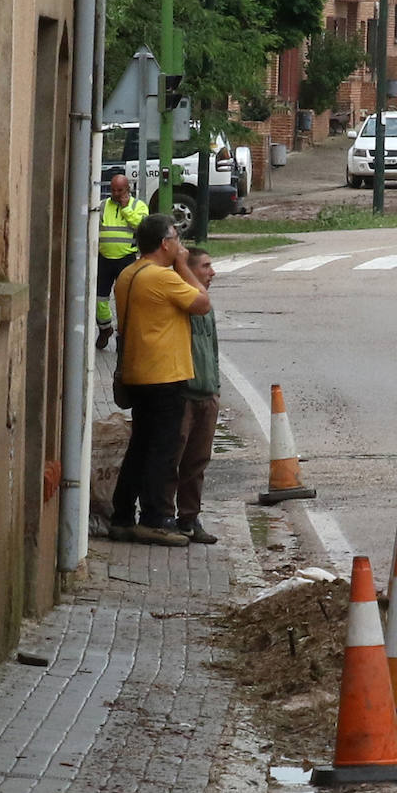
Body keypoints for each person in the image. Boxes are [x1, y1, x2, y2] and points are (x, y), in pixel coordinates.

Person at [109, 214, 211, 547]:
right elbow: (202, 303)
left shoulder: (128, 273)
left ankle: (122, 516)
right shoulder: (162, 278)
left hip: (137, 372)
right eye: (176, 240)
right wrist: (183, 264)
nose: (180, 246)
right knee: (162, 450)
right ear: (164, 243)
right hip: (164, 374)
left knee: (139, 447)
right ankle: (154, 518)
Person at [165, 247, 221, 545]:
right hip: (183, 394)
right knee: (171, 458)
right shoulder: (180, 302)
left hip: (206, 394)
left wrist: (215, 389)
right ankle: (163, 516)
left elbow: (212, 350)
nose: (212, 272)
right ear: (187, 271)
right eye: (205, 266)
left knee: (198, 461)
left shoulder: (206, 307)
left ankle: (189, 517)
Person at [96, 173, 149, 350]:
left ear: (128, 189)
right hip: (104, 259)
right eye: (113, 190)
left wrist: (126, 208)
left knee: (125, 300)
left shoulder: (138, 206)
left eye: (120, 190)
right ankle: (104, 328)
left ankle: (123, 335)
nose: (116, 193)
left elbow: (142, 227)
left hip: (126, 259)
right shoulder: (103, 206)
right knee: (99, 299)